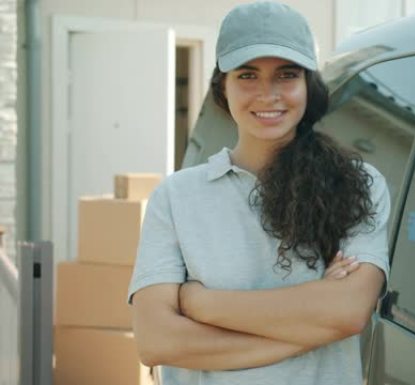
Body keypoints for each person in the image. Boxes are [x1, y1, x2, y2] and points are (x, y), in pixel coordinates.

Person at [127, 2, 390, 384]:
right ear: (223, 88)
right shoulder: (176, 196)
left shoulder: (357, 185)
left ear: (308, 86)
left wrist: (200, 303)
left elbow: (348, 312)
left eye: (286, 74)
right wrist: (311, 329)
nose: (268, 94)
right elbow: (156, 340)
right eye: (248, 75)